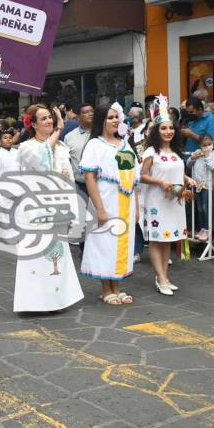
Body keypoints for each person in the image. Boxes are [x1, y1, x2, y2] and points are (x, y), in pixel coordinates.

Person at [14, 104, 84, 312]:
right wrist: (59, 130)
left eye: (50, 118)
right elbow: (41, 160)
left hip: (59, 208)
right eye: (43, 118)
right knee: (36, 256)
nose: (49, 121)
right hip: (36, 210)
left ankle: (57, 300)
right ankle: (35, 302)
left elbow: (68, 179)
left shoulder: (62, 148)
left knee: (57, 255)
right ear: (33, 124)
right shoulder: (27, 147)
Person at [79, 104, 138, 305]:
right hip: (105, 200)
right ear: (101, 121)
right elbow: (90, 178)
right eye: (110, 117)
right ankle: (106, 289)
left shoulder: (125, 145)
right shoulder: (95, 145)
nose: (115, 121)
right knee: (105, 243)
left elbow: (133, 179)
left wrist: (136, 207)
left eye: (117, 117)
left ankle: (117, 286)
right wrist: (100, 209)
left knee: (122, 244)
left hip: (125, 203)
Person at [141, 96, 195, 296]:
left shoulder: (175, 151)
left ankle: (163, 276)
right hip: (157, 201)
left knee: (168, 239)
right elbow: (143, 176)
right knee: (157, 240)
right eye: (163, 128)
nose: (168, 132)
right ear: (157, 131)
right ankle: (161, 278)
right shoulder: (150, 152)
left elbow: (174, 171)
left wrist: (187, 179)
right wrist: (161, 183)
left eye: (171, 128)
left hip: (175, 201)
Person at [186, 134, 214, 242]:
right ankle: (202, 229)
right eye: (204, 145)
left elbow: (213, 166)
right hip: (197, 184)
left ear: (213, 143)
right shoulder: (197, 152)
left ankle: (208, 229)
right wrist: (192, 157)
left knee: (206, 207)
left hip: (207, 185)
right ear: (200, 145)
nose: (206, 147)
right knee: (199, 208)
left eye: (209, 144)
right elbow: (188, 165)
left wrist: (207, 155)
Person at [65, 103, 94, 196]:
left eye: (92, 111)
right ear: (78, 117)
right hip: (79, 186)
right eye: (86, 112)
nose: (90, 114)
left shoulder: (102, 134)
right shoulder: (69, 137)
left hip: (100, 184)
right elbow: (67, 161)